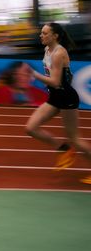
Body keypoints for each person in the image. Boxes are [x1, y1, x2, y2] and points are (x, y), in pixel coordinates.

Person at [24, 23, 91, 184]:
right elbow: (66, 77)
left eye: (45, 33)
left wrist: (33, 74)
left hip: (66, 98)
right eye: (41, 32)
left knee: (75, 138)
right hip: (55, 97)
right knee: (30, 128)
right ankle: (63, 149)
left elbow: (54, 81)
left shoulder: (59, 53)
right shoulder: (48, 50)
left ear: (55, 36)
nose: (41, 35)